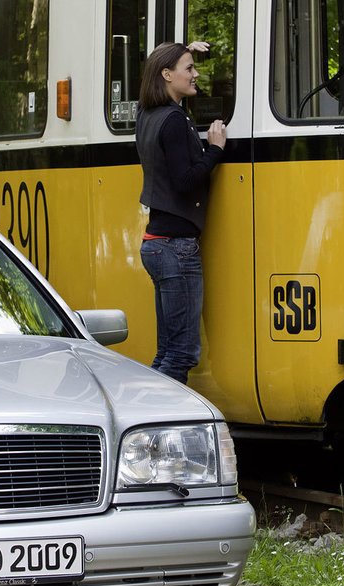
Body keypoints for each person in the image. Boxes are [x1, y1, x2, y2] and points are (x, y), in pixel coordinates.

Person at [136, 41, 226, 384]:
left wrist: (182, 48)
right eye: (189, 68)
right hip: (177, 247)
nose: (196, 74)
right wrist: (215, 150)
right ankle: (155, 424)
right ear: (166, 74)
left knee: (167, 351)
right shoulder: (173, 120)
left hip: (158, 243)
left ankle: (150, 423)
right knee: (181, 353)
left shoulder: (148, 115)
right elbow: (186, 180)